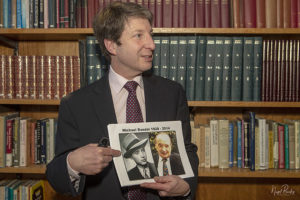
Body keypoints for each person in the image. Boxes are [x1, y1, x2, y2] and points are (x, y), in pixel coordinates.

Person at [46, 2, 198, 200]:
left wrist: (185, 187)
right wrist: (72, 163)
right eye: (139, 35)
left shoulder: (172, 93)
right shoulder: (76, 104)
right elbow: (56, 179)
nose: (152, 44)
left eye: (150, 34)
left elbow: (186, 150)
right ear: (111, 45)